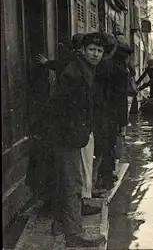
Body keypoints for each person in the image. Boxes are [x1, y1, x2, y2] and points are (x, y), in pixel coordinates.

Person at [38, 32, 107, 246]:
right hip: (66, 135)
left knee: (68, 180)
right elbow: (60, 106)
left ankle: (61, 223)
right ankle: (74, 234)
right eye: (92, 50)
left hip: (72, 134)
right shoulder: (74, 74)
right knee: (72, 182)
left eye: (99, 51)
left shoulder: (85, 69)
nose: (95, 54)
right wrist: (70, 132)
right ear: (83, 51)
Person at [95, 33, 132, 191]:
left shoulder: (101, 65)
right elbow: (121, 98)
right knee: (108, 145)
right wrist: (123, 122)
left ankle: (102, 178)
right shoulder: (120, 69)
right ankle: (107, 179)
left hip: (98, 110)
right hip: (109, 113)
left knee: (102, 146)